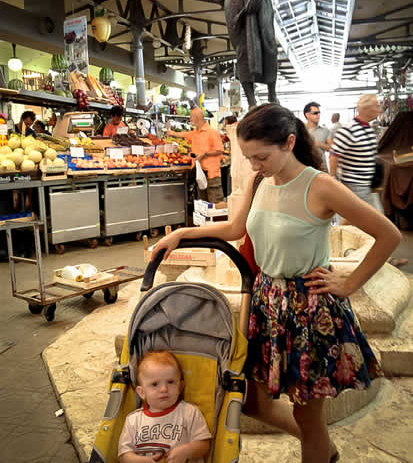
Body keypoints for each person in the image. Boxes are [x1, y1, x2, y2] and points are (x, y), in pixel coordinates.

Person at [153, 103, 402, 463]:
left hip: (309, 310)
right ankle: (322, 448)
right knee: (252, 402)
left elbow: (388, 235)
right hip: (267, 303)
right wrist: (182, 234)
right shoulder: (260, 182)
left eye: (262, 157)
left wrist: (349, 283)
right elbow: (235, 228)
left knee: (307, 415)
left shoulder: (320, 186)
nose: (255, 165)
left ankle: (317, 448)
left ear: (289, 143)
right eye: (249, 158)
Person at [330, 94, 407, 267]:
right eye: (376, 106)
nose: (379, 110)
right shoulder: (349, 129)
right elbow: (334, 154)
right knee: (379, 224)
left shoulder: (367, 129)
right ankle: (384, 260)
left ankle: (337, 247)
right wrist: (333, 178)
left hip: (367, 184)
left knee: (352, 221)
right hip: (355, 185)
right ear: (366, 109)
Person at [118, 350, 211, 463]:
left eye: (170, 382)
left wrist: (186, 451)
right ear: (142, 392)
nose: (164, 389)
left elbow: (204, 445)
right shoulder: (133, 420)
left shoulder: (189, 412)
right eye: (155, 384)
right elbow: (123, 455)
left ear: (180, 387)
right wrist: (139, 460)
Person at [167, 108, 224, 203]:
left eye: (191, 117)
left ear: (197, 118)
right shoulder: (195, 133)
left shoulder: (212, 132)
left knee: (215, 203)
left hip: (211, 174)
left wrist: (204, 154)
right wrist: (172, 133)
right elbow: (184, 134)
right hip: (199, 173)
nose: (190, 119)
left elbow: (219, 150)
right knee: (203, 203)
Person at [304, 102, 331, 171]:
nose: (318, 115)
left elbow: (331, 149)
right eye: (315, 113)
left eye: (319, 112)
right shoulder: (301, 130)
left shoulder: (325, 130)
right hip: (305, 168)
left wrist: (319, 144)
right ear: (307, 115)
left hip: (322, 168)